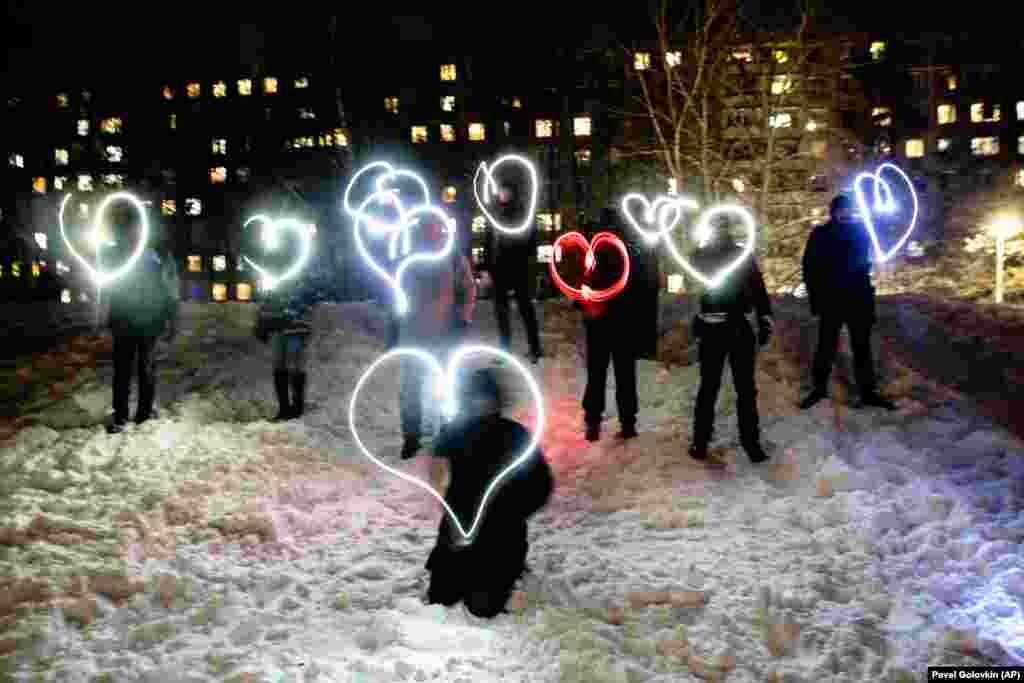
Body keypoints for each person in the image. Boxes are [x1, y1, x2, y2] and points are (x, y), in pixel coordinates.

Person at [425, 367, 553, 618]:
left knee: (482, 606)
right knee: (442, 597)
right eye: (475, 398)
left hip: (499, 536)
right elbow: (436, 470)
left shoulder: (515, 435)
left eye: (485, 398)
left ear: (496, 401)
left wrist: (513, 512)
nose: (480, 405)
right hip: (460, 530)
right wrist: (446, 500)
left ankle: (503, 572)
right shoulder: (455, 431)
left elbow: (542, 484)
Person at [687, 218, 774, 465]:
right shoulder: (703, 256)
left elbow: (757, 289)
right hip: (715, 327)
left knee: (743, 388)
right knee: (712, 387)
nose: (721, 232)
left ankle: (749, 442)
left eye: (723, 228)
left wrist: (765, 318)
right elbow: (756, 289)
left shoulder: (738, 255)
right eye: (718, 228)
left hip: (735, 326)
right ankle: (701, 441)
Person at [799, 194, 895, 411]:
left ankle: (867, 391)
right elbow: (810, 268)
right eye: (841, 209)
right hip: (831, 299)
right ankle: (819, 389)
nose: (845, 213)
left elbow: (867, 260)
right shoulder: (821, 233)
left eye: (848, 209)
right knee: (826, 346)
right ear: (833, 211)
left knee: (861, 347)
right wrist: (816, 298)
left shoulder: (861, 231)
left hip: (857, 298)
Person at [398, 220, 477, 459]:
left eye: (432, 229)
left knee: (446, 384)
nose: (429, 234)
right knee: (410, 385)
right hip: (413, 334)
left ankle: (447, 430)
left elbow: (468, 288)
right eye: (425, 230)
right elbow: (395, 292)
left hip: (444, 333)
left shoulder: (453, 257)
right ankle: (411, 435)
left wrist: (462, 318)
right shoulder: (408, 259)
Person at [579, 209, 640, 442]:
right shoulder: (629, 250)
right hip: (623, 320)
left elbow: (584, 283)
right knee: (624, 374)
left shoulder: (594, 251)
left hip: (599, 320)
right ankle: (628, 423)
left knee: (597, 374)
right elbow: (637, 285)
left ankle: (593, 423)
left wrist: (584, 302)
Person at [106, 239, 177, 434]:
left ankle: (121, 417)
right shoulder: (159, 257)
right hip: (147, 322)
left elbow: (109, 289)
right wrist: (171, 322)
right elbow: (170, 291)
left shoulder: (120, 255)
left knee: (124, 370)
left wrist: (109, 317)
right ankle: (141, 416)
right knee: (144, 370)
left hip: (126, 322)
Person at [481, 183, 543, 364]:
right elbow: (488, 241)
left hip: (517, 266)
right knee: (501, 311)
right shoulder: (494, 213)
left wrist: (525, 257)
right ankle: (505, 351)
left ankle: (535, 348)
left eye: (505, 191)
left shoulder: (522, 213)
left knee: (525, 308)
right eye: (500, 191)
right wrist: (485, 268)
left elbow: (531, 239)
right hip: (498, 267)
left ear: (512, 193)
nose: (501, 194)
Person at [254, 268, 319, 422]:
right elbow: (267, 300)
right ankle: (284, 409)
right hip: (278, 326)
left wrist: (291, 312)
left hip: (296, 327)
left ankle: (296, 409)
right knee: (279, 365)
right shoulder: (278, 277)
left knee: (294, 365)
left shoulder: (303, 277)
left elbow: (311, 298)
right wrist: (263, 320)